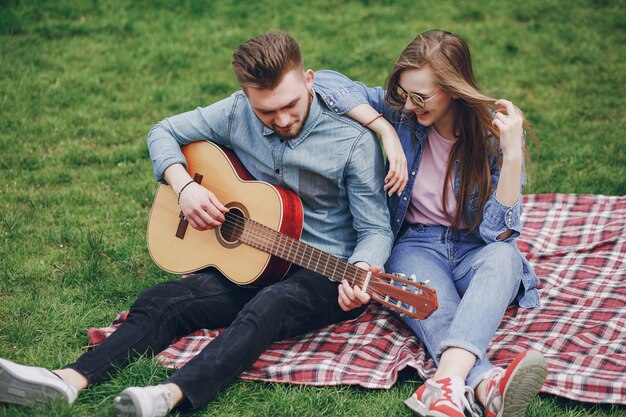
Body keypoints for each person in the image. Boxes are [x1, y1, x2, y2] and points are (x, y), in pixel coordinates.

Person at [0, 31, 397, 417]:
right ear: (246, 96)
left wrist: (361, 271)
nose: (281, 118)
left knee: (270, 306)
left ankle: (169, 395)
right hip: (251, 260)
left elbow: (375, 230)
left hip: (323, 273)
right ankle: (65, 381)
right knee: (163, 300)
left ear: (308, 81)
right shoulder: (235, 111)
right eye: (266, 111)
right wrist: (184, 185)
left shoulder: (353, 142)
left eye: (291, 104)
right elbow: (163, 131)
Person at [314, 29, 548, 417]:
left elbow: (498, 233)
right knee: (436, 307)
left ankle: (443, 387)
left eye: (420, 97)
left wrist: (511, 158)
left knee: (505, 257)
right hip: (417, 248)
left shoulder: (491, 137)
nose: (408, 105)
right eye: (404, 93)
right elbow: (323, 81)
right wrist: (385, 130)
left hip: (476, 248)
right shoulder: (400, 115)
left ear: (454, 90)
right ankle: (485, 382)